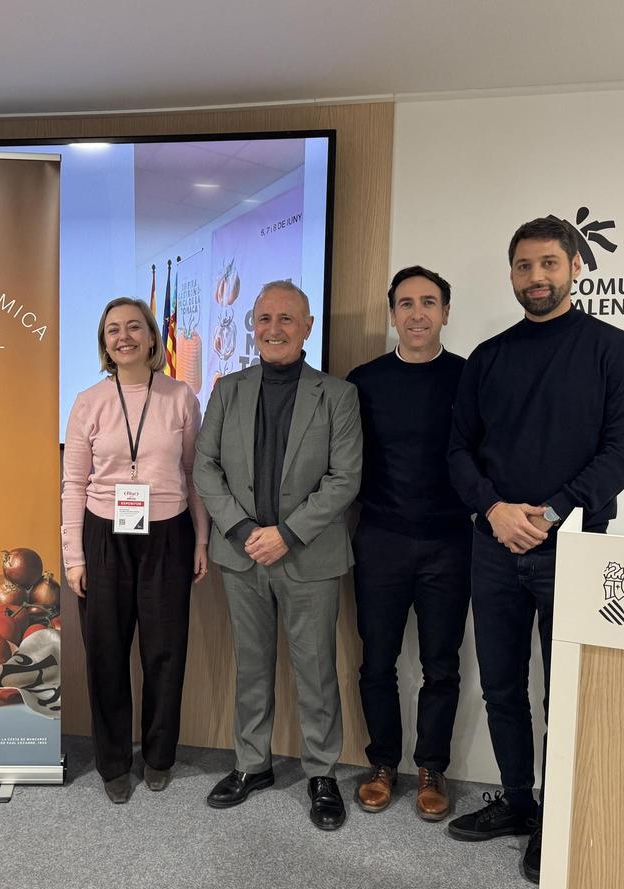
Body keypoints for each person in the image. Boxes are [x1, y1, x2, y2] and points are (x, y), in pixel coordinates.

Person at [446, 218, 624, 884]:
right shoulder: (488, 357)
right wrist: (494, 510)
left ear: (575, 268)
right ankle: (516, 802)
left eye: (549, 264)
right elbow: (458, 451)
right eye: (524, 266)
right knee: (502, 685)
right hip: (495, 544)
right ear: (511, 274)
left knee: (565, 690)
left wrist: (553, 511)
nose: (536, 277)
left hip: (576, 548)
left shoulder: (611, 349)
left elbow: (623, 450)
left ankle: (557, 815)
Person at [194, 280, 362, 831]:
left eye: (286, 318)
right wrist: (245, 529)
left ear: (307, 326)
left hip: (308, 556)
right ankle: (252, 764)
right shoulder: (228, 390)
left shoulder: (337, 395)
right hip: (242, 554)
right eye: (264, 318)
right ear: (252, 325)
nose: (274, 329)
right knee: (251, 665)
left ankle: (321, 773)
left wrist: (287, 533)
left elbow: (344, 479)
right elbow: (205, 467)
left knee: (316, 670)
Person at [61, 297, 209, 804]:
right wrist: (74, 557)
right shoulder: (88, 401)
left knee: (165, 651)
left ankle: (159, 757)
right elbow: (73, 483)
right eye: (112, 330)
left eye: (133, 327)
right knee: (106, 651)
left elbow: (193, 474)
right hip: (104, 536)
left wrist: (201, 538)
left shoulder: (180, 396)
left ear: (151, 337)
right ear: (104, 344)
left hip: (168, 535)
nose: (123, 337)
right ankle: (113, 762)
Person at [346, 265, 472, 820]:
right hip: (381, 539)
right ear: (392, 314)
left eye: (428, 302)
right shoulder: (364, 381)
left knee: (441, 664)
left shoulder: (469, 377)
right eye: (406, 303)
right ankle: (381, 763)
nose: (417, 313)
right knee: (377, 661)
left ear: (445, 312)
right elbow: (346, 462)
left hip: (451, 541)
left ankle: (431, 768)